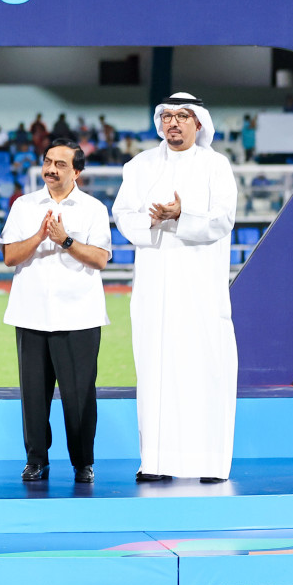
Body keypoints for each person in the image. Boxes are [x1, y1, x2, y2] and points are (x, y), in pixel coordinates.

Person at [113, 93, 237, 483]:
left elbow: (224, 219)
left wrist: (183, 215)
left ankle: (209, 464)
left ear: (198, 123)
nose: (174, 123)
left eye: (183, 116)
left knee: (205, 368)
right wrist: (153, 221)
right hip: (154, 286)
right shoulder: (140, 166)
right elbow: (123, 214)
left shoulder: (217, 166)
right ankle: (156, 462)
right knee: (155, 369)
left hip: (201, 287)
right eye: (167, 116)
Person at [0, 140, 111, 483]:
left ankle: (83, 463)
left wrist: (64, 240)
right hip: (30, 313)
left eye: (60, 164)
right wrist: (39, 236)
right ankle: (36, 460)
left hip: (79, 316)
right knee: (33, 396)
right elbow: (10, 256)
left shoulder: (93, 208)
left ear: (76, 171)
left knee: (79, 398)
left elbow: (101, 258)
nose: (51, 169)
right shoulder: (24, 206)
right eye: (48, 162)